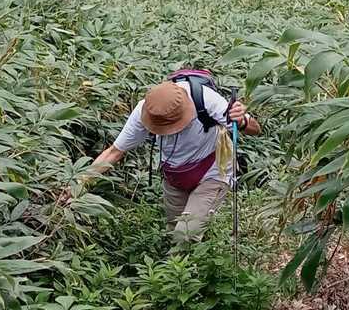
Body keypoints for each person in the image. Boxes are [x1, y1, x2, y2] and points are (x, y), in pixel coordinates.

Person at [84, 75, 260, 242]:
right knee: (174, 231)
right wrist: (80, 182)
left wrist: (242, 121)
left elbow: (255, 129)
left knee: (185, 235)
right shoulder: (146, 109)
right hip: (175, 176)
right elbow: (114, 152)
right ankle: (196, 259)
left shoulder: (207, 99)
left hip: (212, 171)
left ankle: (193, 255)